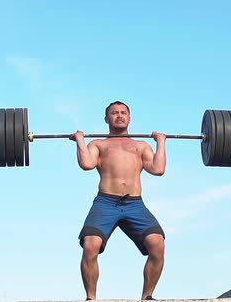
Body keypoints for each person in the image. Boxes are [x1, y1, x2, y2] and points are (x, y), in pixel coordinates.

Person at [69, 100, 166, 300]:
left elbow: (158, 169)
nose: (119, 115)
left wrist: (161, 141)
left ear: (129, 118)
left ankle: (147, 297)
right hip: (106, 203)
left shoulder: (140, 146)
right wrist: (80, 140)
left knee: (157, 244)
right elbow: (87, 164)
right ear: (107, 119)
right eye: (114, 113)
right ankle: (91, 298)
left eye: (123, 112)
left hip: (134, 204)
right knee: (90, 245)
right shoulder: (99, 144)